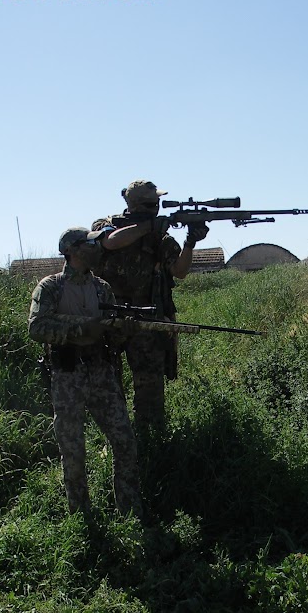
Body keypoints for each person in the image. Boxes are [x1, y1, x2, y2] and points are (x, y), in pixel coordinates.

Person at [28, 224, 157, 517]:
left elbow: (113, 335)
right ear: (71, 250)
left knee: (125, 441)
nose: (96, 249)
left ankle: (129, 510)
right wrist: (83, 327)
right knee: (73, 451)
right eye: (89, 244)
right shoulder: (50, 287)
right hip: (67, 374)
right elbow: (37, 328)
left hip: (101, 372)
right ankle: (82, 517)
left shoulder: (102, 288)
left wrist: (123, 331)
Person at [92, 180, 209, 430]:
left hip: (146, 321)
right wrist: (148, 227)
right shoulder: (105, 224)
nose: (156, 208)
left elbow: (180, 271)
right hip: (107, 321)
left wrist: (190, 243)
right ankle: (118, 440)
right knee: (109, 389)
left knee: (150, 391)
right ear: (137, 204)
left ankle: (150, 441)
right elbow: (110, 241)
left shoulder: (160, 237)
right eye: (151, 204)